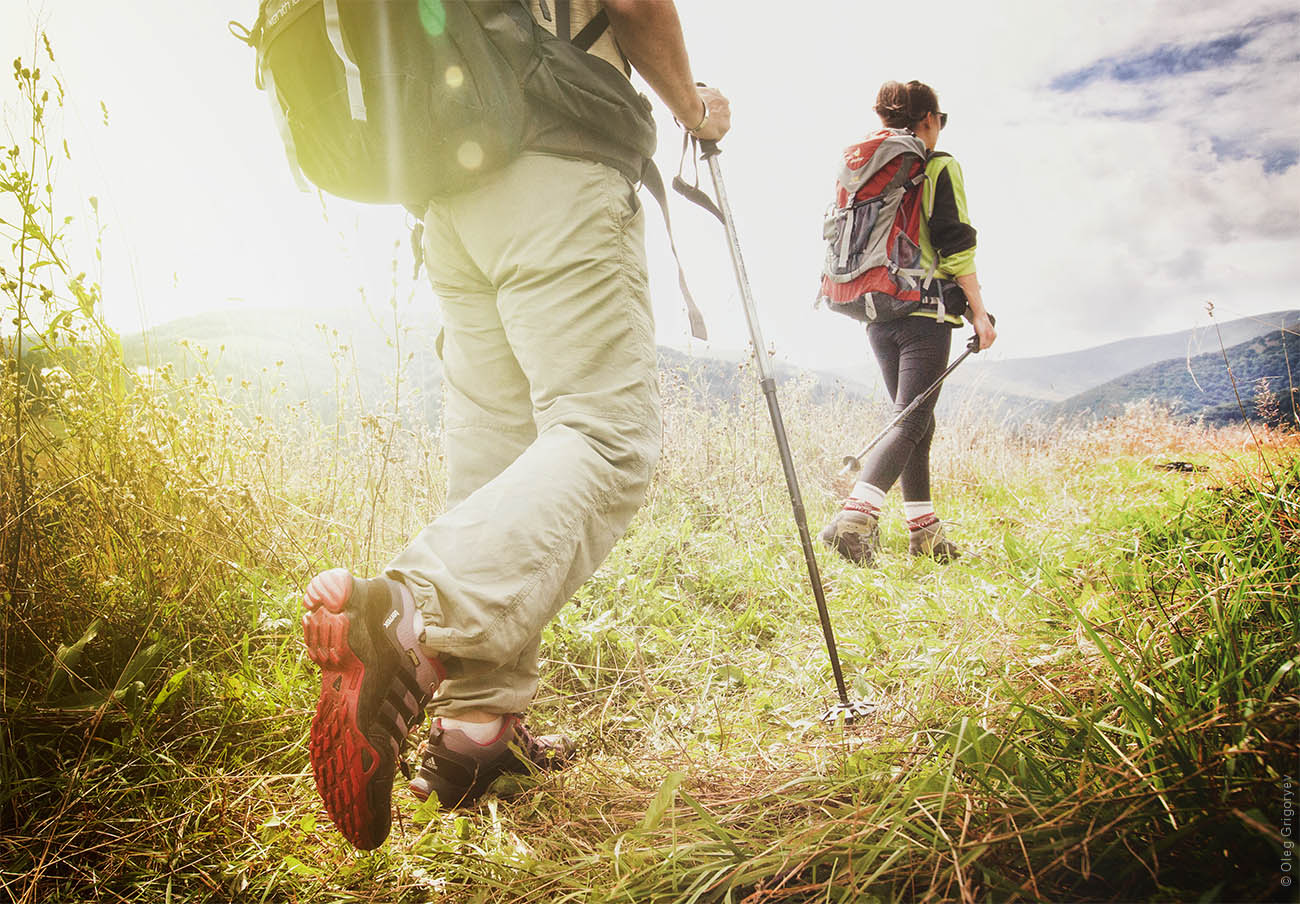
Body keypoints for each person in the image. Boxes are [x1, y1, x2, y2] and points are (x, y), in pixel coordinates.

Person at [299, 1, 731, 850]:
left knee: (498, 470)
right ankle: (409, 616)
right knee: (606, 434)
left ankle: (475, 735)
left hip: (450, 191)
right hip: (555, 156)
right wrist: (692, 106)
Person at [821, 80, 995, 567]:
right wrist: (979, 312)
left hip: (876, 309)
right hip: (924, 310)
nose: (940, 128)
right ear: (928, 120)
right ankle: (854, 521)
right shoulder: (936, 165)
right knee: (912, 417)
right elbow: (955, 242)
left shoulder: (863, 167)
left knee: (916, 418)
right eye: (940, 119)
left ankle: (926, 532)